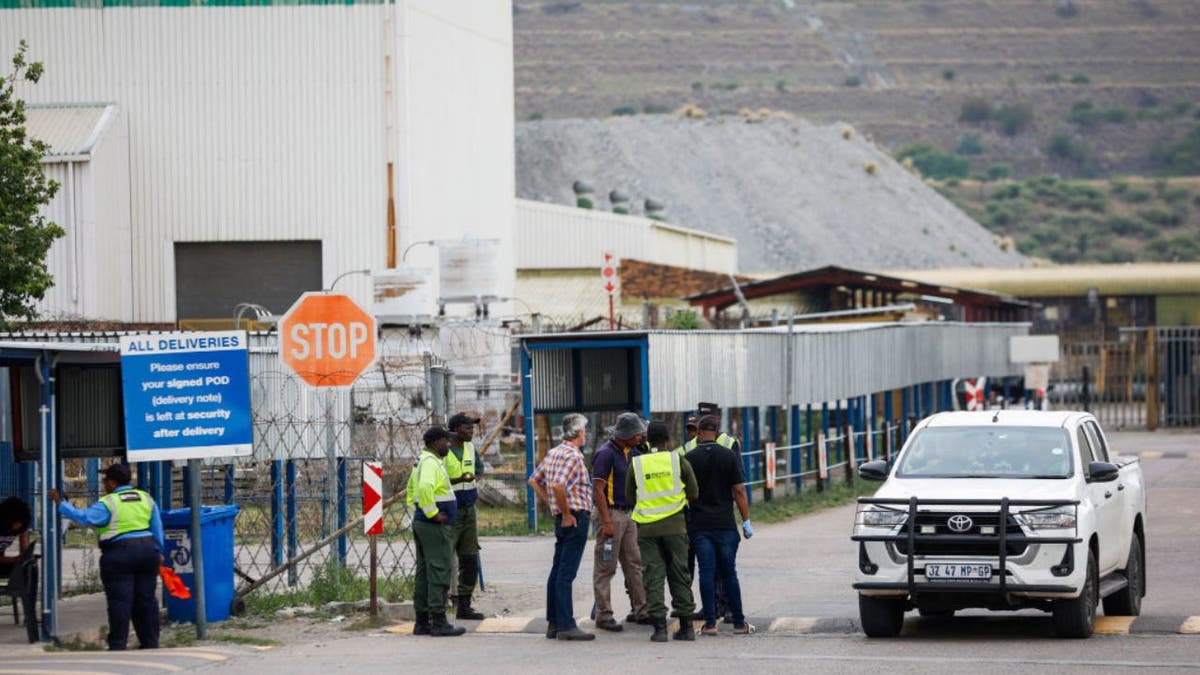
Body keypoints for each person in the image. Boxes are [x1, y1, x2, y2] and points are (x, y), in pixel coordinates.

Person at [48, 464, 164, 651]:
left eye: (105, 481)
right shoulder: (146, 498)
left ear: (112, 482)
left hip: (119, 554)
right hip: (147, 552)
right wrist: (159, 552)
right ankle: (150, 643)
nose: (104, 485)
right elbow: (157, 529)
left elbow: (85, 518)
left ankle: (118, 645)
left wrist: (60, 505)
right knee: (146, 600)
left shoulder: (109, 502)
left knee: (120, 601)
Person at [627, 420, 699, 642]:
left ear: (647, 440)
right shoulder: (678, 460)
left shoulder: (637, 465)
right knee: (679, 573)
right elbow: (694, 492)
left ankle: (659, 629)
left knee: (653, 575)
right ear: (668, 439)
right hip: (675, 527)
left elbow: (630, 497)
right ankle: (686, 628)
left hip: (647, 528)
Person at [528, 412, 595, 641]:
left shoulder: (554, 453)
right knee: (566, 573)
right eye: (584, 430)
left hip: (563, 516)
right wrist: (565, 512)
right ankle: (567, 624)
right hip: (574, 517)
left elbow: (533, 480)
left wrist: (552, 505)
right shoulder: (574, 456)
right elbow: (557, 485)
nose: (585, 434)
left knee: (557, 570)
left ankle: (554, 622)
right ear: (578, 432)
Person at [686, 415, 754, 635]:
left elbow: (686, 493)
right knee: (729, 573)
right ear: (717, 431)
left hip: (700, 525)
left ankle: (710, 624)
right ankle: (740, 624)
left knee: (706, 572)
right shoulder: (728, 455)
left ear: (698, 433)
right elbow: (739, 491)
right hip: (725, 524)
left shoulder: (689, 457)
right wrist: (746, 521)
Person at [590, 412, 650, 631]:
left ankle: (642, 610)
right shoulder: (605, 454)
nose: (641, 437)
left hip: (629, 514)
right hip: (612, 515)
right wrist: (606, 522)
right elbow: (598, 489)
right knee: (606, 566)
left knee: (634, 563)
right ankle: (604, 615)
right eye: (638, 434)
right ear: (627, 434)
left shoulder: (632, 452)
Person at [406, 426, 467, 637]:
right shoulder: (430, 463)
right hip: (433, 526)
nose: (449, 445)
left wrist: (419, 513)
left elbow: (410, 492)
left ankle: (422, 621)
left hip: (423, 523)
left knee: (424, 573)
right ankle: (439, 621)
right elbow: (423, 488)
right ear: (435, 443)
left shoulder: (422, 461)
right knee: (440, 570)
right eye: (445, 441)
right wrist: (432, 513)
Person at [444, 412, 485, 621]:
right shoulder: (443, 450)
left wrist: (472, 479)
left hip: (468, 509)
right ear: (455, 429)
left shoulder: (470, 448)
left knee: (469, 559)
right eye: (467, 428)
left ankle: (464, 605)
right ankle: (437, 607)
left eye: (472, 428)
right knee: (443, 559)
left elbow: (479, 469)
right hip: (448, 511)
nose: (472, 431)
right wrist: (457, 479)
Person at [0, 496, 32, 576]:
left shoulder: (21, 528)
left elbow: (25, 551)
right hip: (3, 561)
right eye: (16, 522)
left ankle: (27, 588)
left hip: (3, 562)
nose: (17, 526)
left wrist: (28, 559)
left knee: (30, 567)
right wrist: (14, 559)